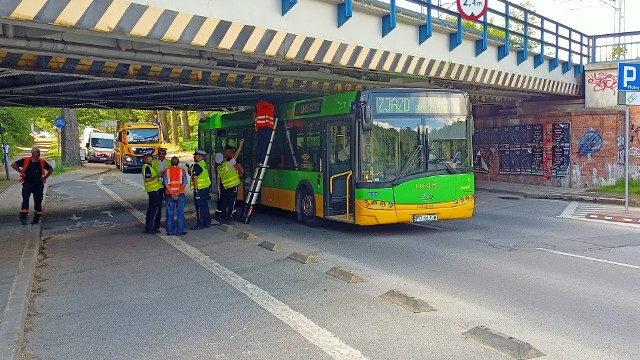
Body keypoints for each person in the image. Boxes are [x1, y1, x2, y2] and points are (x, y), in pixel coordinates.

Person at [11, 147, 53, 225]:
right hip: (27, 184)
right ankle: (23, 217)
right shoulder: (25, 160)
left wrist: (45, 177)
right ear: (33, 153)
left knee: (38, 201)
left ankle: (36, 218)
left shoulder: (42, 162)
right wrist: (21, 172)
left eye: (39, 152)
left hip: (38, 185)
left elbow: (50, 169)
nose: (39, 154)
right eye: (37, 152)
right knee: (25, 200)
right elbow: (13, 164)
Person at [216, 139, 244, 221]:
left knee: (225, 201)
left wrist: (218, 188)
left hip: (225, 186)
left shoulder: (218, 168)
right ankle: (230, 216)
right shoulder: (228, 164)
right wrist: (241, 145)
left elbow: (219, 178)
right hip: (233, 186)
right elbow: (236, 155)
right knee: (232, 202)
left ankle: (223, 215)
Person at [163, 156, 188, 236]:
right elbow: (184, 183)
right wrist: (177, 193)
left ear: (171, 163)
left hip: (169, 195)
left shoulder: (166, 171)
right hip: (180, 195)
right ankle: (179, 231)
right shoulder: (182, 171)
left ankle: (169, 231)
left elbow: (165, 183)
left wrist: (172, 193)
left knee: (170, 213)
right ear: (178, 163)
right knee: (180, 213)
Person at [189, 149, 212, 230]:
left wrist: (196, 189)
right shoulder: (203, 164)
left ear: (199, 157)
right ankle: (207, 223)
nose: (194, 157)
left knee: (199, 207)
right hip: (205, 189)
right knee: (205, 206)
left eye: (195, 155)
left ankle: (201, 223)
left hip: (199, 190)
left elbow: (195, 177)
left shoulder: (197, 165)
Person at [141, 151, 163, 234]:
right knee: (154, 209)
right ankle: (150, 228)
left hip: (153, 190)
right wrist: (157, 176)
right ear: (147, 158)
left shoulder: (147, 166)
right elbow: (148, 179)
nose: (152, 159)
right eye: (151, 157)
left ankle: (150, 227)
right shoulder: (147, 167)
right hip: (154, 191)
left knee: (151, 209)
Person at [254, 97, 275, 165]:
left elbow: (255, 117)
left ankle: (260, 161)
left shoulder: (258, 107)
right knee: (266, 145)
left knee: (260, 145)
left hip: (260, 128)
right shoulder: (271, 107)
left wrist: (256, 128)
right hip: (268, 127)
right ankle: (264, 161)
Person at [152, 148, 168, 228]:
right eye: (160, 154)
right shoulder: (154, 162)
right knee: (158, 204)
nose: (161, 156)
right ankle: (156, 223)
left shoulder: (168, 162)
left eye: (163, 154)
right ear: (158, 155)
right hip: (158, 185)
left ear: (165, 154)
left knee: (169, 203)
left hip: (167, 184)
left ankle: (168, 223)